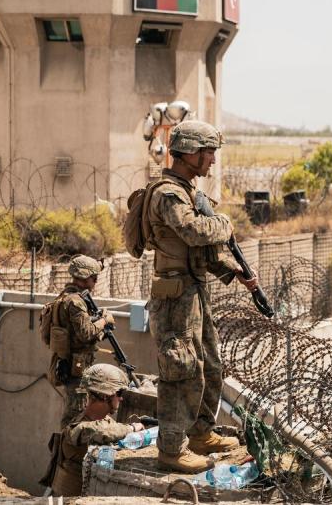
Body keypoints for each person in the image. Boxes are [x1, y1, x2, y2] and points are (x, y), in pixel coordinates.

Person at [143, 120, 260, 473]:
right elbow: (194, 232)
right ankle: (172, 450)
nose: (212, 160)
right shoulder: (168, 193)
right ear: (191, 152)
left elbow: (201, 252)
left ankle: (199, 433)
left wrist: (231, 270)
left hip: (193, 292)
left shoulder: (188, 190)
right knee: (181, 369)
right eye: (208, 152)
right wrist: (225, 224)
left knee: (209, 364)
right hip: (174, 296)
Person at [43, 364, 143, 496]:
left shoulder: (106, 421)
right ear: (105, 395)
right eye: (119, 393)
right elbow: (97, 431)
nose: (121, 398)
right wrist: (131, 428)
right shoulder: (79, 428)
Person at [46, 255, 116, 427]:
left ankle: (66, 450)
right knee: (75, 417)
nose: (96, 282)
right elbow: (86, 333)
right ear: (87, 278)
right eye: (94, 278)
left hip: (70, 363)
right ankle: (66, 452)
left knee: (74, 415)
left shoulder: (64, 296)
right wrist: (105, 320)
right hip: (77, 367)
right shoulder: (76, 302)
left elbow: (75, 332)